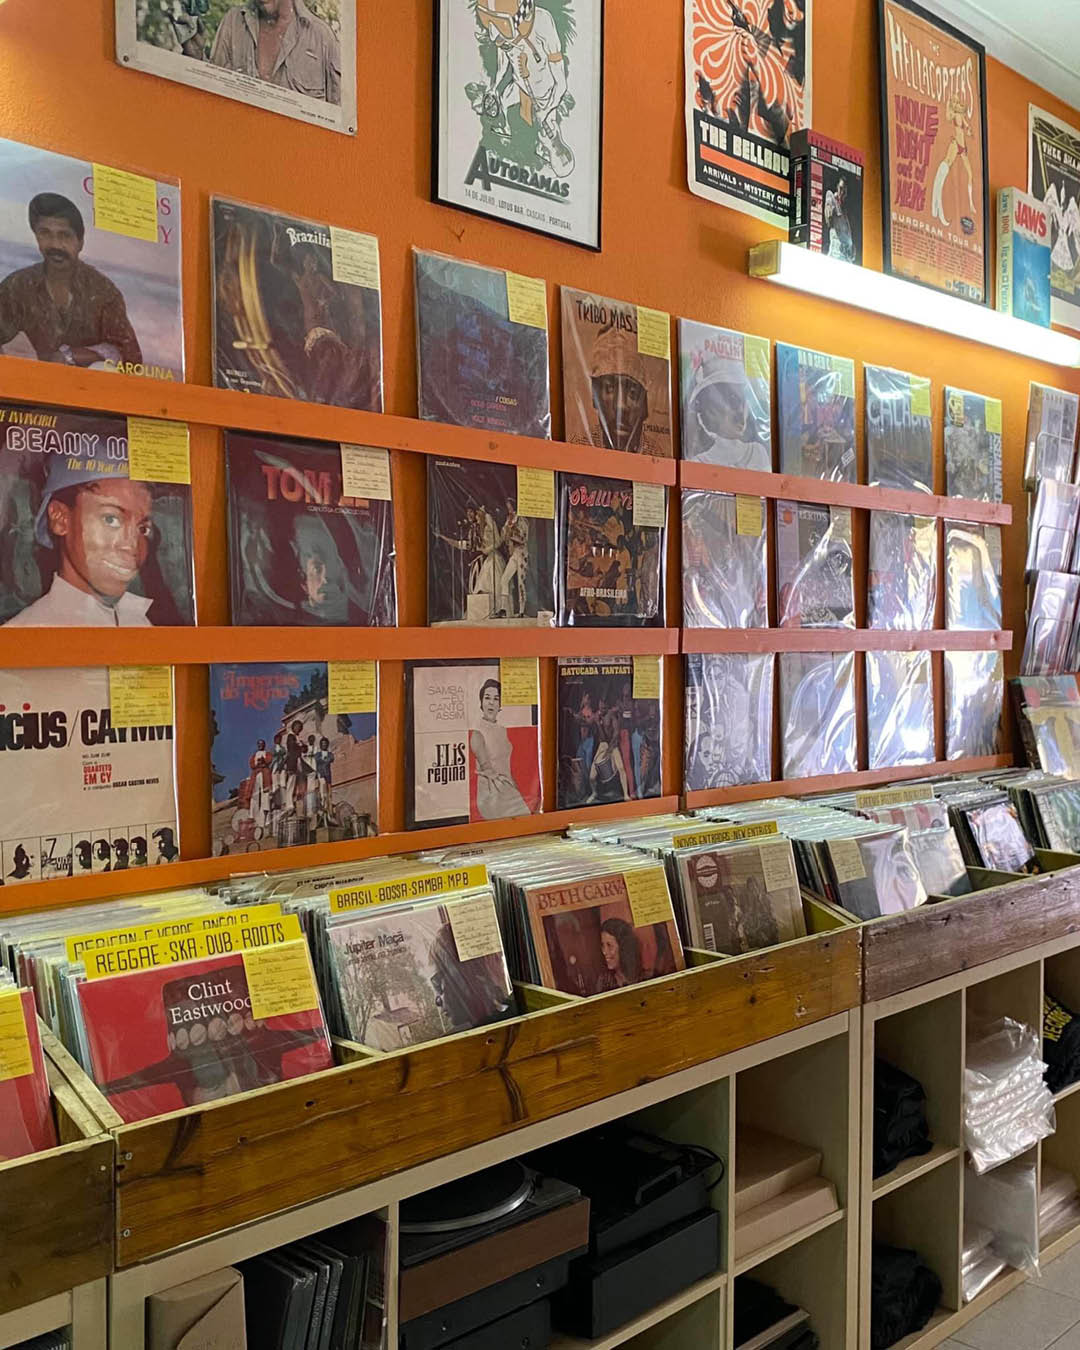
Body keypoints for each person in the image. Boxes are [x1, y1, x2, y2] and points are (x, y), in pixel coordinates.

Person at [5, 454, 157, 627]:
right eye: (111, 519)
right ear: (60, 518)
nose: (132, 546)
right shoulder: (25, 635)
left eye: (142, 529)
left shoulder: (137, 620)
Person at [0, 192, 142, 368]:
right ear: (36, 235)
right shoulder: (18, 286)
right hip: (37, 386)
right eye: (45, 233)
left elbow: (132, 359)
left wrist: (71, 355)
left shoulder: (104, 292)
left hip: (90, 390)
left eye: (65, 235)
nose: (55, 244)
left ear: (80, 242)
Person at [471, 0, 573, 177]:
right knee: (509, 113)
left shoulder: (543, 21)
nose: (495, 32)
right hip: (520, 88)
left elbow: (561, 83)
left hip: (545, 96)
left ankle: (534, 143)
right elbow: (503, 59)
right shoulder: (498, 29)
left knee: (544, 127)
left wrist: (548, 109)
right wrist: (495, 88)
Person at [170, 0, 341, 105]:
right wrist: (195, 58)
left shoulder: (322, 38)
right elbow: (211, 100)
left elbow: (340, 119)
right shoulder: (233, 22)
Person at [470, 680, 531, 820]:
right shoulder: (478, 732)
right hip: (492, 793)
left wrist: (514, 786)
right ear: (481, 702)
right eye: (487, 698)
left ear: (500, 705)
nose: (491, 702)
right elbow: (487, 769)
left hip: (507, 787)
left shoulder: (502, 730)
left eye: (496, 699)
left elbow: (505, 765)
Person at [589, 327, 651, 453]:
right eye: (610, 388)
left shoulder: (659, 455)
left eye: (633, 393)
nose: (620, 406)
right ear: (595, 397)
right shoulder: (579, 446)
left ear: (645, 406)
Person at [932, 94, 977, 229]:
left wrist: (969, 131)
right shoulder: (952, 113)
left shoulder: (961, 116)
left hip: (963, 148)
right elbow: (948, 117)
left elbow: (967, 127)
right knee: (947, 162)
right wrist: (948, 105)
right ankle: (937, 196)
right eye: (956, 101)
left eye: (958, 101)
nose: (958, 103)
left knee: (970, 174)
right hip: (956, 143)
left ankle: (971, 204)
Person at [587, 711, 630, 805]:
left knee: (621, 768)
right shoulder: (597, 716)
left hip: (613, 745)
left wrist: (609, 751)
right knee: (591, 777)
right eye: (600, 702)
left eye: (604, 702)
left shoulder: (612, 717)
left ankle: (626, 794)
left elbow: (615, 736)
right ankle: (594, 793)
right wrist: (598, 724)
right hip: (602, 745)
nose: (602, 705)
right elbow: (602, 738)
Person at [595, 917, 641, 993]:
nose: (604, 952)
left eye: (609, 945)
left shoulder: (644, 977)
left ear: (623, 947)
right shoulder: (604, 982)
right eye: (603, 945)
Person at [825, 176, 855, 262]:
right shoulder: (831, 199)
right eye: (840, 189)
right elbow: (828, 221)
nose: (842, 192)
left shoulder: (846, 210)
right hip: (835, 253)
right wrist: (830, 209)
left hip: (845, 256)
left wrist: (852, 247)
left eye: (844, 191)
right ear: (837, 187)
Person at [248, 739, 273, 828]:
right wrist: (258, 764)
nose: (260, 745)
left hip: (264, 774)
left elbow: (268, 760)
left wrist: (263, 761)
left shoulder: (267, 753)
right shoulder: (254, 755)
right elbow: (252, 764)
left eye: (262, 744)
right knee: (254, 795)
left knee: (265, 795)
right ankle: (253, 815)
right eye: (259, 744)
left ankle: (264, 818)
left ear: (264, 745)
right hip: (256, 775)